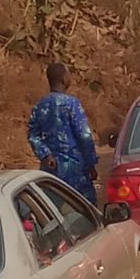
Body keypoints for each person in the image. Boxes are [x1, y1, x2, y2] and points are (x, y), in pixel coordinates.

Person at [28, 62, 99, 204]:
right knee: (86, 208)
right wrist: (91, 163)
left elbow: (33, 135)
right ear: (63, 80)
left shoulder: (40, 106)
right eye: (68, 75)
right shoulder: (72, 104)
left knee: (56, 207)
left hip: (52, 170)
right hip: (76, 169)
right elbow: (84, 135)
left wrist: (46, 154)